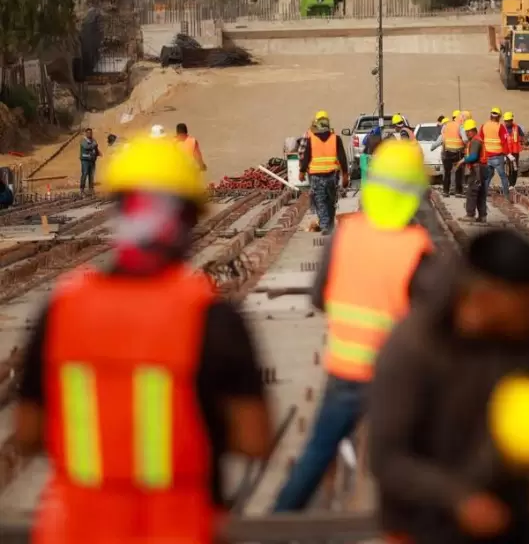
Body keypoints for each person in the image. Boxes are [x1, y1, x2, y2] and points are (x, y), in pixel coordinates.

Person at [15, 135, 273, 544]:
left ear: (117, 212)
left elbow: (28, 434)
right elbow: (254, 440)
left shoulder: (62, 312)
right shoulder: (212, 320)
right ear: (188, 220)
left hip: (76, 530)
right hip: (176, 529)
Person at [369, 228, 529, 544]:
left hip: (516, 524)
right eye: (526, 303)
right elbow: (387, 458)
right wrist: (459, 498)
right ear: (484, 298)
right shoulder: (413, 348)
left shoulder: (526, 338)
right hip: (427, 527)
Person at [272, 139, 440, 512]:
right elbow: (437, 319)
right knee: (420, 462)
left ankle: (277, 523)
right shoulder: (417, 249)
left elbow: (318, 298)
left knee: (317, 454)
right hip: (399, 380)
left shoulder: (347, 235)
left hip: (346, 371)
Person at [300, 114, 349, 235]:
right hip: (332, 176)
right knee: (330, 201)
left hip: (316, 176)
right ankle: (329, 224)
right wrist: (345, 175)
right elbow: (342, 158)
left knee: (320, 201)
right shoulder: (336, 139)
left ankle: (325, 225)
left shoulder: (312, 140)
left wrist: (301, 172)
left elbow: (305, 157)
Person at [455, 119, 487, 223]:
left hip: (477, 169)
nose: (466, 134)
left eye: (467, 132)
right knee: (480, 193)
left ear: (471, 131)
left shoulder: (475, 141)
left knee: (472, 192)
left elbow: (473, 156)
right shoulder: (478, 139)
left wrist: (462, 161)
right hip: (482, 168)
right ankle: (482, 216)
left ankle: (470, 214)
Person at [481, 107, 511, 198]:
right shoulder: (500, 127)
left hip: (487, 157)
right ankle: (506, 196)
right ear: (499, 117)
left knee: (488, 177)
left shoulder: (484, 125)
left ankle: (484, 195)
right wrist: (508, 154)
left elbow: (480, 139)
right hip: (497, 156)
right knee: (503, 176)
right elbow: (504, 142)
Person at [436, 115, 466, 197]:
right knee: (458, 173)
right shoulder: (460, 126)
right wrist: (466, 145)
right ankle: (458, 192)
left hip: (447, 151)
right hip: (458, 152)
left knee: (447, 172)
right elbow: (465, 139)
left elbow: (442, 137)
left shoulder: (446, 126)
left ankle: (446, 191)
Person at [503, 111, 526, 187]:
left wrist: (522, 142)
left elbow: (522, 136)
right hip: (506, 152)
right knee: (507, 168)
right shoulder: (502, 128)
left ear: (512, 120)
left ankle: (513, 184)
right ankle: (509, 183)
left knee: (515, 168)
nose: (507, 122)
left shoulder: (517, 127)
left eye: (509, 121)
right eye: (506, 121)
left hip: (515, 151)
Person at [79, 128, 101, 195]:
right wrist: (94, 145)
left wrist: (98, 153)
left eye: (91, 133)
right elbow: (87, 147)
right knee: (84, 174)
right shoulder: (83, 140)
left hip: (92, 160)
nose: (90, 134)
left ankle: (91, 189)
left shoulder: (93, 140)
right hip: (85, 160)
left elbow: (96, 147)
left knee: (91, 175)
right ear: (86, 133)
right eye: (88, 133)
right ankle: (82, 189)